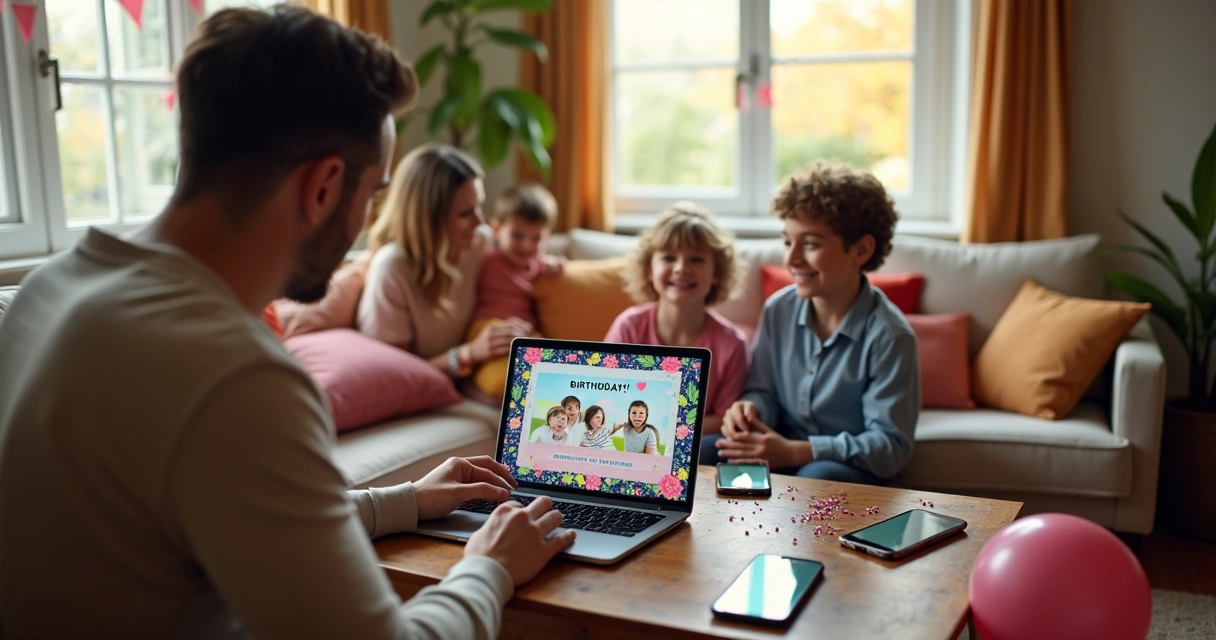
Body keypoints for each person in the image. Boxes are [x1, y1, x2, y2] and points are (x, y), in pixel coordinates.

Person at [0, 7, 574, 639]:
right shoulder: (236, 375)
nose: (367, 219)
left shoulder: (47, 289)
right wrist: (488, 568)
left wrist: (407, 501)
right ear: (325, 186)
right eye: (373, 193)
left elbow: (223, 514)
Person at [701, 161, 920, 484]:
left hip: (844, 466)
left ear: (861, 249)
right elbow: (762, 390)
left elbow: (889, 446)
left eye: (810, 244)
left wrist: (797, 452)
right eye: (788, 241)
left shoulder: (890, 336)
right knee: (703, 451)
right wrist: (750, 409)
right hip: (780, 450)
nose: (791, 259)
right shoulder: (779, 310)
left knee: (817, 475)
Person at [358, 144, 532, 387]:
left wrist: (547, 264)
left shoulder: (478, 242)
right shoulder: (392, 269)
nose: (479, 220)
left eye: (479, 206)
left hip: (467, 380)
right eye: (465, 213)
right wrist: (469, 353)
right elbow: (395, 379)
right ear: (428, 219)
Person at [603, 203, 748, 434]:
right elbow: (606, 394)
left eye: (696, 260)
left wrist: (670, 432)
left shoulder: (733, 344)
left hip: (698, 446)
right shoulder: (629, 326)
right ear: (649, 269)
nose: (681, 268)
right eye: (669, 258)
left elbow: (724, 419)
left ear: (717, 273)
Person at [469, 183, 563, 398]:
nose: (526, 246)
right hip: (490, 327)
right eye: (517, 236)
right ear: (496, 229)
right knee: (505, 379)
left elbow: (552, 264)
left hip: (526, 331)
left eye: (536, 238)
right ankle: (478, 385)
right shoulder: (488, 258)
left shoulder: (539, 265)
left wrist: (552, 262)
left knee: (554, 366)